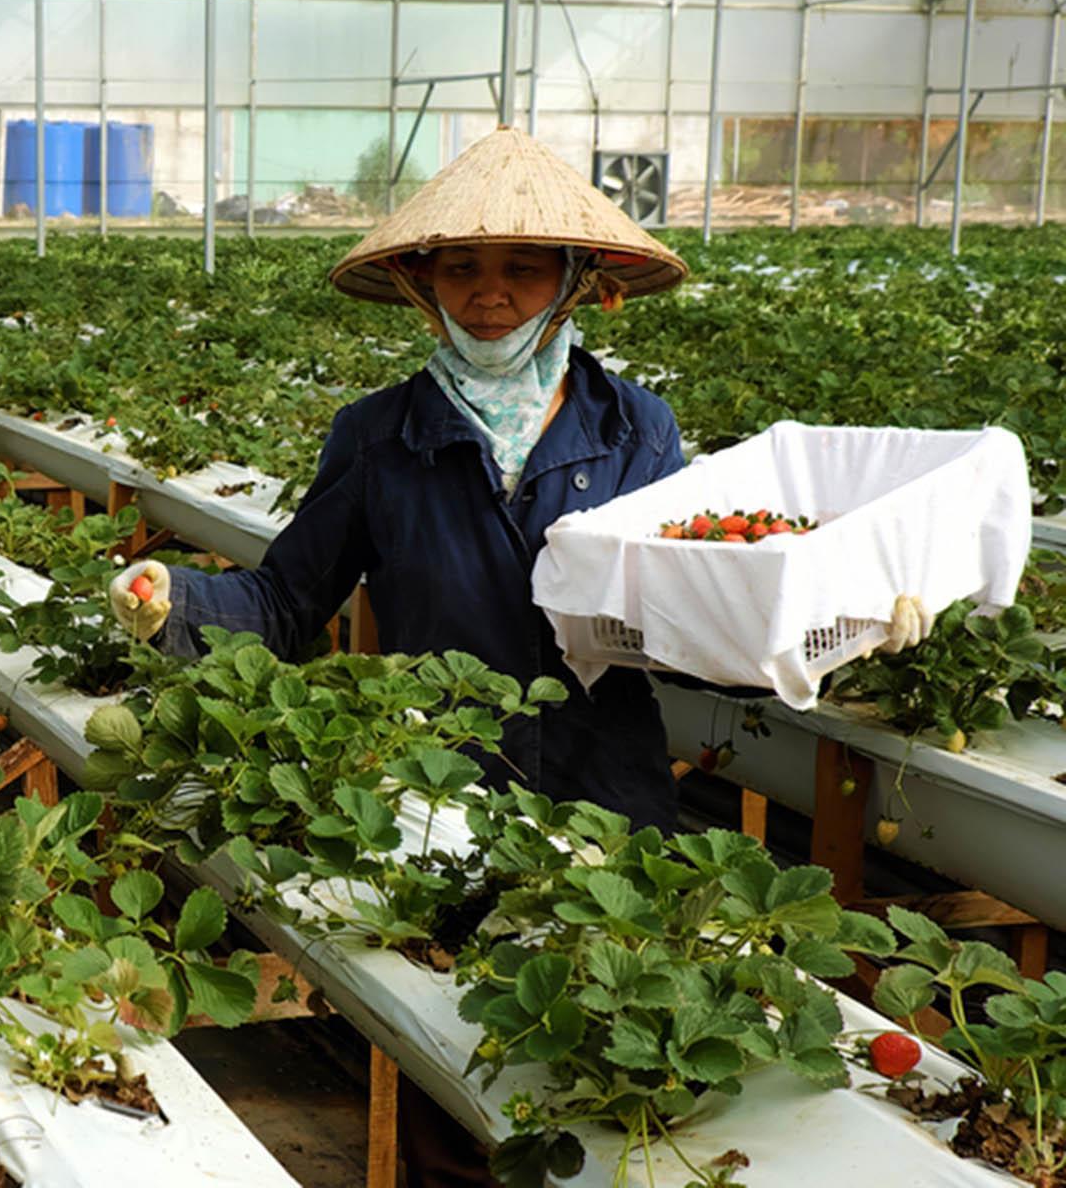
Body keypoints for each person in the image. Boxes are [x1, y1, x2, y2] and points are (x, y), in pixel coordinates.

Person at [111, 126, 693, 831]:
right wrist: (179, 601)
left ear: (576, 277)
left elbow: (682, 610)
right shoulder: (379, 437)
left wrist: (778, 623)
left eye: (523, 269)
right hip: (437, 791)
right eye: (461, 269)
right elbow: (289, 600)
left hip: (611, 790)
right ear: (423, 281)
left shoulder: (635, 428)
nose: (489, 295)